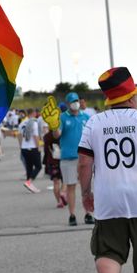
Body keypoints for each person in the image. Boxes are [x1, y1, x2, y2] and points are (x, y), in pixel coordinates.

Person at [77, 67, 137, 273]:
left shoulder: (94, 122)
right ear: (131, 96)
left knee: (107, 251)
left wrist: (86, 193)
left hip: (109, 200)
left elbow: (85, 162)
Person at [43, 92, 94, 226]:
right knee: (70, 187)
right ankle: (72, 215)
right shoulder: (62, 117)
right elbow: (57, 135)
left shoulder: (86, 117)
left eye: (76, 100)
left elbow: (91, 135)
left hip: (84, 157)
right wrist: (54, 126)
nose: (75, 103)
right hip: (68, 158)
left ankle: (88, 213)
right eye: (72, 101)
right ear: (68, 104)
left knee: (86, 187)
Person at [18, 108, 42, 193]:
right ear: (34, 113)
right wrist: (38, 147)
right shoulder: (34, 123)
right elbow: (36, 136)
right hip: (32, 147)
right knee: (38, 166)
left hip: (24, 147)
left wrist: (21, 146)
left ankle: (29, 184)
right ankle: (29, 182)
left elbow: (19, 135)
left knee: (29, 167)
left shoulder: (22, 123)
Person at [42, 127, 66, 208]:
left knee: (56, 182)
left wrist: (45, 162)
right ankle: (63, 193)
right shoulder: (63, 135)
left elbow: (45, 150)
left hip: (52, 161)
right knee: (66, 180)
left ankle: (59, 201)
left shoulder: (46, 136)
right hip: (63, 159)